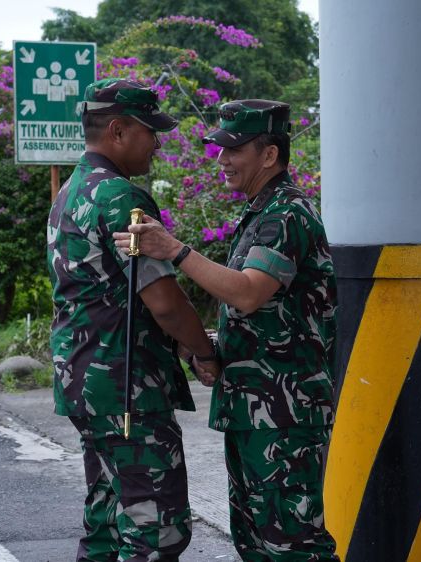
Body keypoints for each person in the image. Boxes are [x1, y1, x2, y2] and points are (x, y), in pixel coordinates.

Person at [114, 100, 339, 560]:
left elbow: (248, 293)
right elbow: (267, 315)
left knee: (294, 544)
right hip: (256, 409)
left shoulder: (287, 214)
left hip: (285, 414)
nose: (222, 161)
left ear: (270, 155)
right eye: (219, 150)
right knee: (256, 541)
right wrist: (209, 347)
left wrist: (174, 250)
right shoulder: (261, 212)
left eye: (233, 150)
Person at [47, 78, 220, 561]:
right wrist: (202, 351)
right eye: (151, 130)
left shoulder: (71, 192)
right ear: (119, 131)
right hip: (127, 389)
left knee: (105, 523)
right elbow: (162, 300)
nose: (158, 142)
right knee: (156, 530)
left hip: (84, 380)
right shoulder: (123, 197)